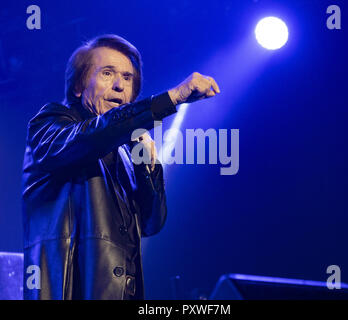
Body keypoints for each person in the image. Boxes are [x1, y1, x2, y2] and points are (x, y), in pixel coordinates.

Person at [21, 34, 220, 300]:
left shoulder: (127, 150)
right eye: (107, 73)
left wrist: (149, 169)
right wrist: (172, 98)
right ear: (79, 86)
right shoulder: (51, 122)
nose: (119, 86)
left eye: (127, 78)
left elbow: (152, 223)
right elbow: (92, 136)